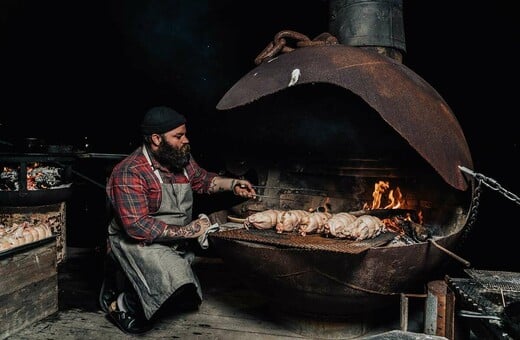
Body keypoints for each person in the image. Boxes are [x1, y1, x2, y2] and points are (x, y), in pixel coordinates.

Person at [99, 106, 256, 334]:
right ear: (156, 139)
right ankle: (120, 304)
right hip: (137, 241)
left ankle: (149, 284)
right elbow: (137, 226)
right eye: (178, 136)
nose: (186, 140)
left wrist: (232, 184)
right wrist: (190, 231)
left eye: (185, 134)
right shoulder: (130, 171)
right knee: (175, 278)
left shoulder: (180, 159)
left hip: (172, 239)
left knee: (186, 299)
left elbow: (203, 180)